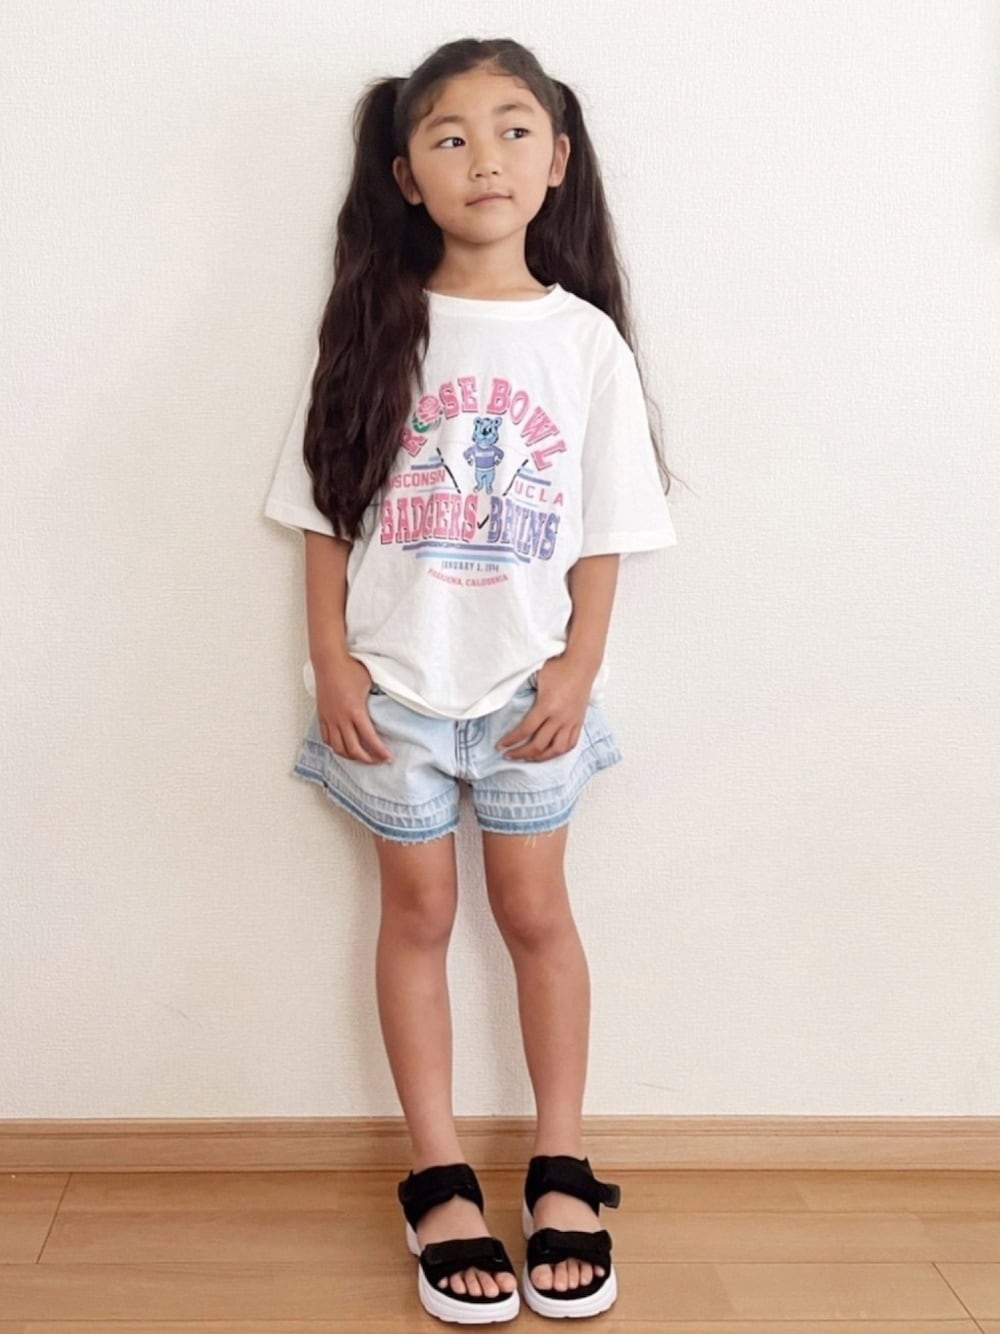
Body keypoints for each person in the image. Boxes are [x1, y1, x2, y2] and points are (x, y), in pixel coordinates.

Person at [264, 35, 680, 1325]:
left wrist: (578, 671)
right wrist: (331, 664)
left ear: (557, 161)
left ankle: (560, 1168)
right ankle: (438, 1178)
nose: (484, 157)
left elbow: (607, 532)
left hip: (525, 696)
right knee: (419, 916)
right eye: (450, 136)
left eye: (513, 130)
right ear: (406, 175)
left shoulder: (585, 342)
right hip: (391, 694)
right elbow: (325, 513)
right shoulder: (376, 324)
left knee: (537, 915)